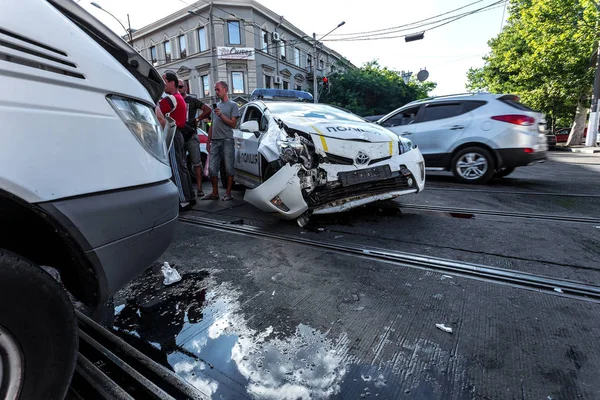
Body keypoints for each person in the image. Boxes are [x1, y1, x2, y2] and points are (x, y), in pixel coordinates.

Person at [156, 72, 196, 211]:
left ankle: (183, 200)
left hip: (173, 133)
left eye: (164, 81)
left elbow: (156, 108)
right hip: (178, 134)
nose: (163, 85)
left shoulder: (172, 98)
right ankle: (190, 196)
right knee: (182, 167)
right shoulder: (179, 98)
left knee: (176, 169)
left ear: (171, 83)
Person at [202, 81, 239, 201]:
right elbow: (212, 125)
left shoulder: (232, 105)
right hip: (215, 141)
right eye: (215, 90)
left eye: (218, 89)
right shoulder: (216, 107)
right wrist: (208, 141)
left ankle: (228, 193)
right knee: (212, 169)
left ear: (225, 90)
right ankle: (215, 193)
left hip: (227, 140)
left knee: (229, 168)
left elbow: (233, 124)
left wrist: (221, 115)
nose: (216, 92)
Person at [178, 80, 212, 196]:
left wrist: (198, 119)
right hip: (179, 135)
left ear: (186, 88)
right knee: (182, 164)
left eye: (181, 86)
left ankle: (200, 189)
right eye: (177, 87)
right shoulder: (175, 100)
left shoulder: (192, 100)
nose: (179, 88)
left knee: (196, 163)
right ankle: (187, 189)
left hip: (191, 135)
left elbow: (208, 109)